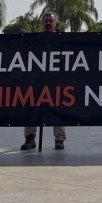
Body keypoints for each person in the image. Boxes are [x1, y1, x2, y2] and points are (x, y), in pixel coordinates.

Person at [21, 10, 66, 152]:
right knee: (30, 107)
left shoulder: (62, 40)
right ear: (42, 23)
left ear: (55, 23)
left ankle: (59, 140)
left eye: (50, 21)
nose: (48, 23)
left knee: (57, 108)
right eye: (45, 20)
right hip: (36, 81)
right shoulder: (35, 40)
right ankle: (30, 138)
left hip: (55, 82)